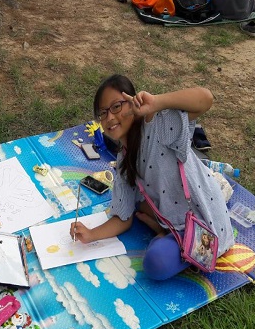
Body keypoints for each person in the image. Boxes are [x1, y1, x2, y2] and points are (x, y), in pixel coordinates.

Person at [70, 75, 235, 280]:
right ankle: (164, 230)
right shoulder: (123, 160)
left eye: (116, 107)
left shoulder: (157, 127)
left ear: (132, 103)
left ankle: (163, 232)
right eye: (103, 113)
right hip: (177, 219)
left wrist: (157, 102)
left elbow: (206, 99)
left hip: (204, 224)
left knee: (155, 263)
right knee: (138, 204)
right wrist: (90, 234)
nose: (110, 117)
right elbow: (123, 217)